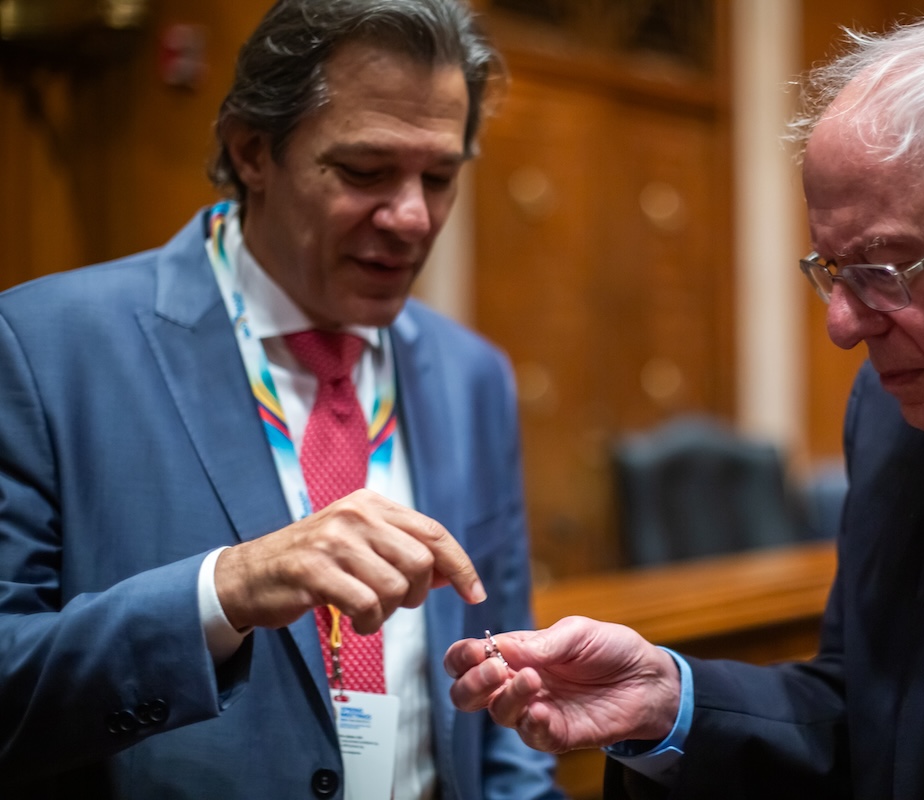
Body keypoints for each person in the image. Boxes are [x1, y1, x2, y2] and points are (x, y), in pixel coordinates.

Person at [445, 14, 924, 799]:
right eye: (833, 269)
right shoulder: (893, 416)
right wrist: (670, 702)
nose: (841, 326)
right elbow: (870, 720)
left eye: (884, 269)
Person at [0, 1, 562, 798]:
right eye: (366, 171)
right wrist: (223, 591)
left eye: (439, 177)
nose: (411, 216)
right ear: (252, 150)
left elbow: (504, 698)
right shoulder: (43, 347)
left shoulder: (474, 376)